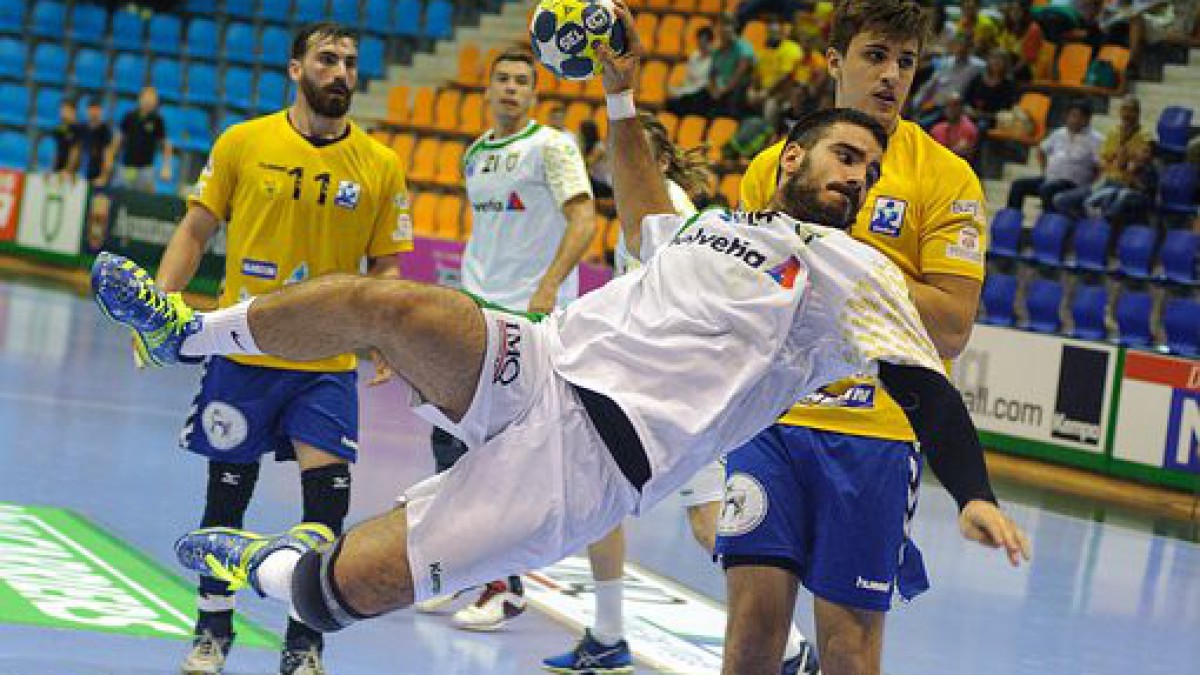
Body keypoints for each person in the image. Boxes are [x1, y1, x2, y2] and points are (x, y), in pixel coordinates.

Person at [91, 5, 1028, 669]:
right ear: (793, 158)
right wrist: (619, 89)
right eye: (844, 158)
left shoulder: (844, 272)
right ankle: (188, 333)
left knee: (344, 592)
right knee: (398, 307)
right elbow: (643, 207)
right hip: (538, 363)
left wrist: (971, 491)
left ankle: (264, 565)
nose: (856, 179)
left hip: (589, 467)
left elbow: (924, 379)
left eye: (866, 171)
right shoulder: (715, 222)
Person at [730, 1, 1027, 673]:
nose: (892, 74)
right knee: (750, 638)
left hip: (877, 433)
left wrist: (846, 255)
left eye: (906, 61)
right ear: (835, 61)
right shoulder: (775, 166)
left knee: (848, 649)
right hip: (771, 423)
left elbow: (950, 327)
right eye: (875, 56)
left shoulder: (946, 177)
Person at [142, 22, 412, 675]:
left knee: (326, 510)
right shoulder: (243, 142)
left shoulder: (380, 165)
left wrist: (386, 332)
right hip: (242, 356)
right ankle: (213, 629)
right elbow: (196, 228)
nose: (341, 72)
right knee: (226, 499)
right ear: (296, 69)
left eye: (350, 62)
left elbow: (388, 267)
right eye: (327, 59)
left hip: (325, 365)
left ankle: (304, 641)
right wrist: (157, 306)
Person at [540, 113, 792, 675]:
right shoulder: (642, 213)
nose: (611, 163)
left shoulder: (673, 214)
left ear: (649, 162)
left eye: (622, 153)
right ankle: (607, 635)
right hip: (645, 389)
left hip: (681, 397)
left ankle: (792, 647)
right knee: (598, 502)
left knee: (708, 524)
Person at [421, 48, 597, 632]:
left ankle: (506, 585)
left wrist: (548, 288)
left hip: (527, 317)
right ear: (488, 88)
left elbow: (584, 219)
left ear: (535, 94)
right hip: (477, 309)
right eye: (504, 79)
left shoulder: (553, 145)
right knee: (448, 440)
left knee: (497, 454)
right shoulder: (474, 154)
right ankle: (464, 571)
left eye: (524, 81)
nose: (513, 88)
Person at [1053, 95, 1155, 223]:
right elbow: (1102, 161)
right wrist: (1113, 161)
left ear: (1138, 113)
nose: (1127, 114)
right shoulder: (1113, 133)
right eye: (1124, 109)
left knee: (1098, 204)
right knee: (1060, 200)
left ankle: (1096, 229)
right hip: (1105, 181)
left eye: (1131, 110)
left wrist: (1123, 161)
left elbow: (1137, 163)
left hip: (1124, 185)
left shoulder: (1146, 137)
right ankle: (1084, 225)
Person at [1006, 99, 1102, 214]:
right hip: (1051, 178)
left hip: (1074, 184)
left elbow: (1099, 166)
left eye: (1079, 117)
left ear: (1088, 119)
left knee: (1048, 188)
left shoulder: (1096, 139)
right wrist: (1045, 170)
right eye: (1072, 116)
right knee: (1018, 185)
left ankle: (1049, 225)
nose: (1074, 120)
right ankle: (1011, 222)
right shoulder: (1059, 133)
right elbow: (1041, 150)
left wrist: (1089, 183)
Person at [108, 86, 173, 193]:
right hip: (127, 166)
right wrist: (110, 158)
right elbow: (117, 139)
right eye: (146, 98)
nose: (149, 102)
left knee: (146, 198)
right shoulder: (129, 116)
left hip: (146, 169)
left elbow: (166, 143)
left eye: (152, 100)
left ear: (156, 103)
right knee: (118, 195)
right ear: (140, 98)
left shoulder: (157, 120)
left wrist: (166, 167)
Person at [746, 15, 804, 127]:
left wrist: (766, 93)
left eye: (775, 32)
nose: (772, 35)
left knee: (770, 106)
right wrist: (752, 90)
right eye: (769, 32)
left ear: (781, 33)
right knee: (746, 97)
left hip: (782, 92)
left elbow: (786, 77)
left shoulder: (791, 48)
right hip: (763, 92)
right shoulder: (761, 51)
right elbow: (756, 75)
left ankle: (771, 136)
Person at [708, 13, 756, 117]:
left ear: (734, 27)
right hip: (722, 88)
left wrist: (723, 91)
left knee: (733, 98)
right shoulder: (717, 51)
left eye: (727, 25)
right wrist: (713, 90)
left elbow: (739, 74)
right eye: (720, 25)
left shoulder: (744, 46)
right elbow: (712, 74)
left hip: (739, 87)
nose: (724, 29)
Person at [666, 25, 715, 117]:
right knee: (671, 102)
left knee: (691, 100)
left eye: (704, 42)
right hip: (689, 91)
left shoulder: (715, 59)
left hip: (702, 93)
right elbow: (688, 79)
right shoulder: (694, 55)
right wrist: (679, 91)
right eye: (699, 42)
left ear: (710, 42)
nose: (701, 45)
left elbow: (708, 82)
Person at [930, 92, 980, 161]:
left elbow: (960, 152)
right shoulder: (937, 129)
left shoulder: (969, 128)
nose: (951, 109)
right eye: (948, 106)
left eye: (955, 105)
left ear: (961, 108)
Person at [78, 97, 113, 186]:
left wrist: (103, 177)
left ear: (101, 111)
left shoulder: (105, 131)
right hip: (81, 174)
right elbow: (76, 151)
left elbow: (108, 155)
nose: (94, 111)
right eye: (92, 108)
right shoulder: (82, 128)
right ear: (87, 110)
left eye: (97, 109)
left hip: (97, 176)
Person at [48, 98, 83, 182]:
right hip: (58, 170)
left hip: (73, 173)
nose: (62, 113)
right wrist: (51, 169)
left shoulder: (79, 129)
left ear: (73, 111)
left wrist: (68, 170)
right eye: (61, 110)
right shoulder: (59, 128)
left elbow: (76, 151)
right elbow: (57, 150)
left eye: (65, 110)